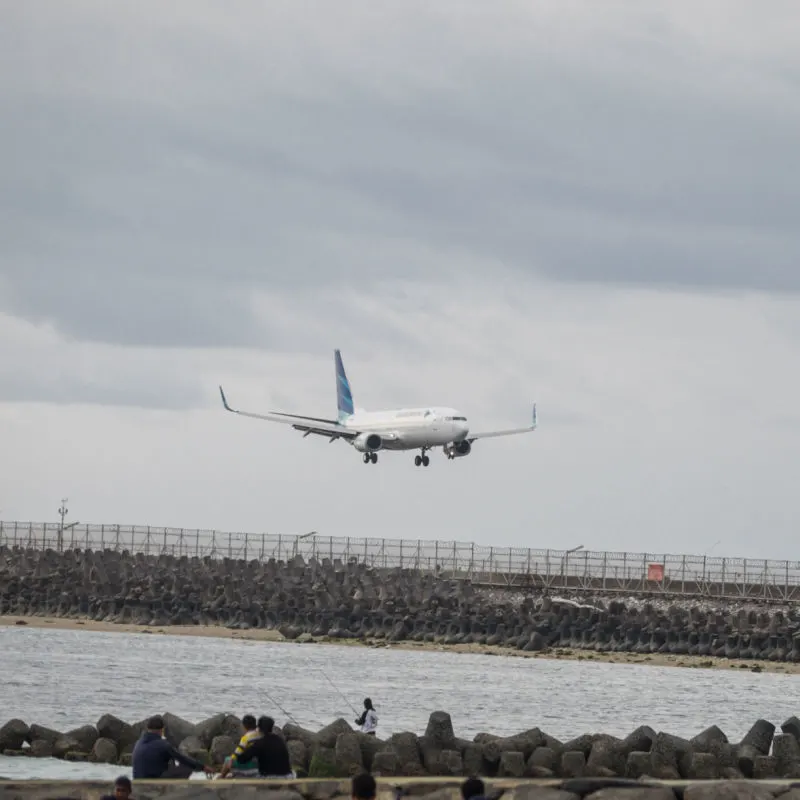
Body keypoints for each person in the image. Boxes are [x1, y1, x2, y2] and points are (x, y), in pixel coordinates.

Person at [131, 715, 215, 780]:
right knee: (186, 767)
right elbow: (183, 759)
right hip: (154, 783)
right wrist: (203, 767)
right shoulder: (163, 744)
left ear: (147, 728)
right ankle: (173, 792)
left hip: (138, 782)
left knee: (170, 762)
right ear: (162, 730)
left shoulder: (138, 742)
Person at [228, 715, 294, 778]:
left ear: (258, 728)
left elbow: (242, 759)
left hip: (269, 777)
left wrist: (232, 760)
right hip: (288, 776)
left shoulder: (260, 743)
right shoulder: (279, 740)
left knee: (242, 771)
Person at [218, 714, 262, 779]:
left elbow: (237, 754)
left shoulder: (246, 738)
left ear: (244, 726)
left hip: (251, 765)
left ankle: (222, 777)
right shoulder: (260, 735)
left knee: (228, 760)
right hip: (259, 764)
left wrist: (231, 760)